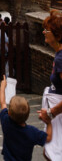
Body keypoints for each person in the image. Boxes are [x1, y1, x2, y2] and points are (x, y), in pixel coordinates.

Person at [0, 75, 52, 160]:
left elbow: (3, 103)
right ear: (28, 115)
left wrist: (3, 87)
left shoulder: (6, 122)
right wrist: (48, 122)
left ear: (9, 113)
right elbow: (48, 137)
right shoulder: (32, 132)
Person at [38, 10, 62, 160]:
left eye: (47, 30)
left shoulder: (61, 58)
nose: (43, 32)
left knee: (53, 154)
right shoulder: (59, 54)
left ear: (57, 34)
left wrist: (51, 112)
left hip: (58, 114)